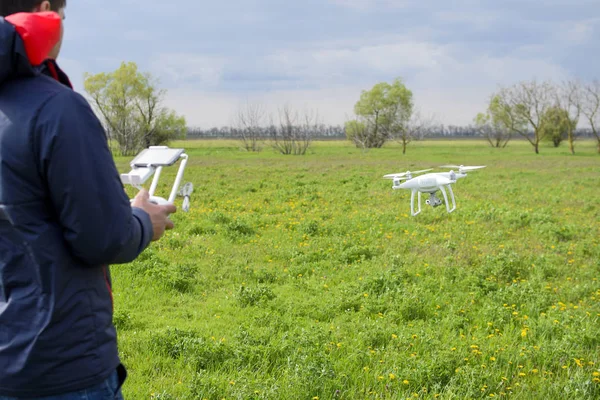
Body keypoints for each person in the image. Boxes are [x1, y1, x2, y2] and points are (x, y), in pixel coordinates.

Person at [0, 1, 177, 398]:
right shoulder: (57, 108)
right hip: (59, 365)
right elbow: (102, 237)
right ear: (48, 10)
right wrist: (145, 220)